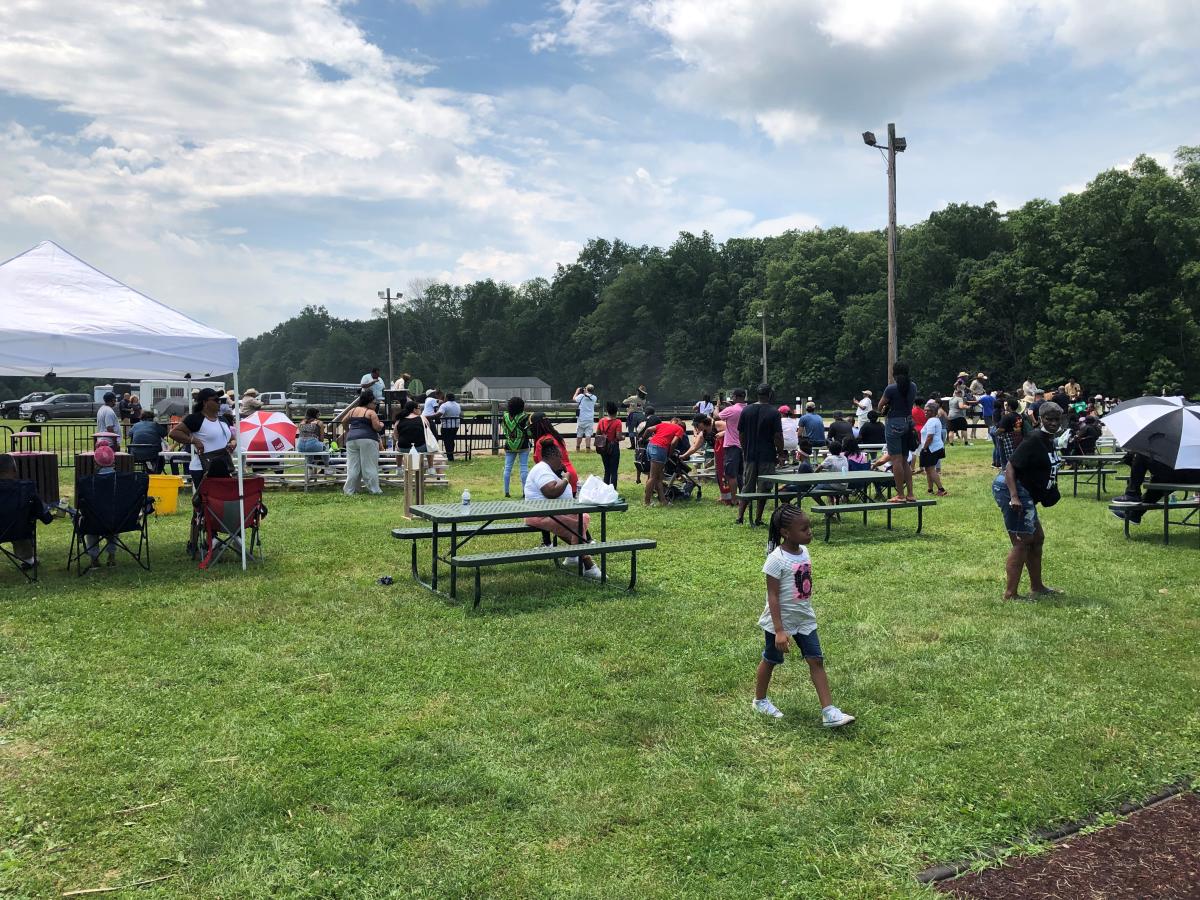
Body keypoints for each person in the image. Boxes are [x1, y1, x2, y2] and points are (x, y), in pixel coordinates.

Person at [752, 504, 854, 727]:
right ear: (785, 533)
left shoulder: (804, 552)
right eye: (804, 528)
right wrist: (779, 630)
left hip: (805, 618)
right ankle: (760, 701)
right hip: (779, 622)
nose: (809, 531)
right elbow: (773, 596)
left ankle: (829, 711)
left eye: (809, 527)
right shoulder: (776, 559)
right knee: (770, 659)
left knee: (816, 660)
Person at [993, 401, 1064, 601]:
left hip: (1025, 491)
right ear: (1040, 419)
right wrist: (1014, 496)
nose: (1053, 423)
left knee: (1037, 538)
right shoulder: (1034, 438)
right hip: (1012, 489)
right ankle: (1010, 593)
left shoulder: (1050, 440)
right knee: (1022, 541)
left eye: (1056, 419)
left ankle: (1037, 586)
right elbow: (1010, 468)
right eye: (1049, 419)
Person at [523, 442, 601, 579]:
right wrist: (565, 479)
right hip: (538, 514)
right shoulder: (542, 469)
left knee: (582, 517)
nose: (562, 461)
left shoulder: (548, 469)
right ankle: (588, 564)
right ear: (552, 456)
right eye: (560, 457)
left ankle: (572, 555)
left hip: (550, 511)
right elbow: (550, 492)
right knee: (575, 524)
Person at [736, 384, 785, 527]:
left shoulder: (746, 410)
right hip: (767, 455)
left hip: (750, 454)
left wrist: (745, 450)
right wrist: (780, 453)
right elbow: (778, 436)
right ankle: (758, 518)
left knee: (747, 486)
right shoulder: (774, 412)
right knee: (764, 488)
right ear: (769, 395)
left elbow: (741, 434)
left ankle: (740, 516)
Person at [170, 388, 237, 491]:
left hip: (223, 466)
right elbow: (174, 433)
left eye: (220, 400)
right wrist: (194, 440)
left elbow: (231, 437)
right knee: (206, 502)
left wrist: (233, 442)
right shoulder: (195, 419)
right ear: (205, 402)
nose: (219, 402)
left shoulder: (223, 419)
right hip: (202, 468)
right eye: (215, 400)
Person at [0, 452, 54, 571]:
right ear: (14, 469)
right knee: (23, 520)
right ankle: (28, 559)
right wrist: (48, 517)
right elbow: (40, 511)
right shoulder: (25, 489)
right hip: (20, 530)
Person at [1111, 453, 1200, 523]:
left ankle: (1132, 493)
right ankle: (1135, 514)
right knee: (1159, 479)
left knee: (1142, 454)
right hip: (1192, 474)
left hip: (1184, 470)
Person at [878, 361, 917, 503]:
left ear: (894, 373)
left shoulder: (891, 388)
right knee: (905, 460)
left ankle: (900, 494)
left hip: (894, 423)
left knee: (896, 460)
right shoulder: (913, 386)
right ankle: (910, 494)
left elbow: (880, 405)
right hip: (908, 422)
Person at [80, 443, 119, 571]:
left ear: (96, 464)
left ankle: (94, 558)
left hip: (94, 523)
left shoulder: (88, 482)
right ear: (113, 461)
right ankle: (111, 556)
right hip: (119, 521)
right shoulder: (122, 481)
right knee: (113, 518)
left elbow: (83, 506)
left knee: (90, 522)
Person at [342, 391, 385, 495]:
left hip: (351, 439)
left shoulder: (352, 410)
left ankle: (349, 490)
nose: (375, 405)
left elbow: (344, 421)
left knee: (353, 466)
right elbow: (376, 427)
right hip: (368, 439)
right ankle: (374, 490)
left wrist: (348, 431)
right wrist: (381, 425)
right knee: (369, 466)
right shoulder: (370, 412)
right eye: (374, 403)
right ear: (369, 402)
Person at [642, 414, 686, 506]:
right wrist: (669, 454)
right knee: (653, 477)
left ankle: (663, 500)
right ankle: (647, 502)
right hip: (660, 449)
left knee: (659, 477)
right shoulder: (680, 429)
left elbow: (649, 429)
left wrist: (643, 439)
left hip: (650, 446)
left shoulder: (663, 424)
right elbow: (674, 442)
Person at [531, 413, 578, 493]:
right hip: (570, 474)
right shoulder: (556, 436)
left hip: (558, 479)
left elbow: (543, 466)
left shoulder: (542, 442)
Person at [717, 389, 748, 501]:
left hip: (732, 445)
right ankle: (743, 497)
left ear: (734, 397)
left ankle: (734, 499)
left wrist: (717, 406)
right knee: (741, 474)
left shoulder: (731, 410)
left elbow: (717, 416)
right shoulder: (747, 409)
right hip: (744, 445)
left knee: (731, 474)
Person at [501, 396, 532, 498]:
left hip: (509, 444)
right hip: (523, 444)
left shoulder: (505, 416)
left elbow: (504, 430)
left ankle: (506, 492)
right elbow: (529, 432)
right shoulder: (524, 416)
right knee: (523, 468)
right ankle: (524, 492)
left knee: (507, 468)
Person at [918, 400, 948, 496]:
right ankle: (930, 490)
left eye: (928, 411)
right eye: (925, 410)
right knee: (928, 469)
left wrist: (924, 448)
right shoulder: (935, 420)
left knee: (931, 470)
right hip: (936, 447)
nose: (925, 412)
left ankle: (941, 489)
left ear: (934, 412)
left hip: (931, 448)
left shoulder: (931, 421)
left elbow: (930, 436)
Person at [595, 401, 624, 487]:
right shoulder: (618, 422)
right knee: (614, 471)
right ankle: (613, 490)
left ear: (607, 411)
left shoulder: (602, 421)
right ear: (616, 411)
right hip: (613, 447)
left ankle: (605, 488)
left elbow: (597, 434)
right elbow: (618, 437)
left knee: (606, 470)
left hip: (604, 447)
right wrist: (623, 437)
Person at [438, 392, 462, 461]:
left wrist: (430, 417)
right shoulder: (458, 405)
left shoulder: (444, 405)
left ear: (446, 398)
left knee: (447, 441)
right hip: (455, 425)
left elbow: (439, 414)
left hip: (446, 426)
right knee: (451, 440)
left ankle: (450, 456)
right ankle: (451, 455)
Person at [573, 384, 597, 452]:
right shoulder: (594, 397)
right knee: (588, 434)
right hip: (589, 419)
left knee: (579, 434)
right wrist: (585, 392)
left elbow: (574, 399)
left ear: (586, 389)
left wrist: (577, 391)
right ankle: (588, 449)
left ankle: (577, 448)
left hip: (581, 418)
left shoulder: (581, 396)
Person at [623, 386, 648, 450]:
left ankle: (633, 445)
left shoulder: (632, 397)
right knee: (639, 430)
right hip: (641, 415)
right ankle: (639, 445)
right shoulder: (644, 400)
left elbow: (624, 402)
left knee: (631, 431)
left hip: (633, 415)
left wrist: (628, 398)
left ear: (638, 392)